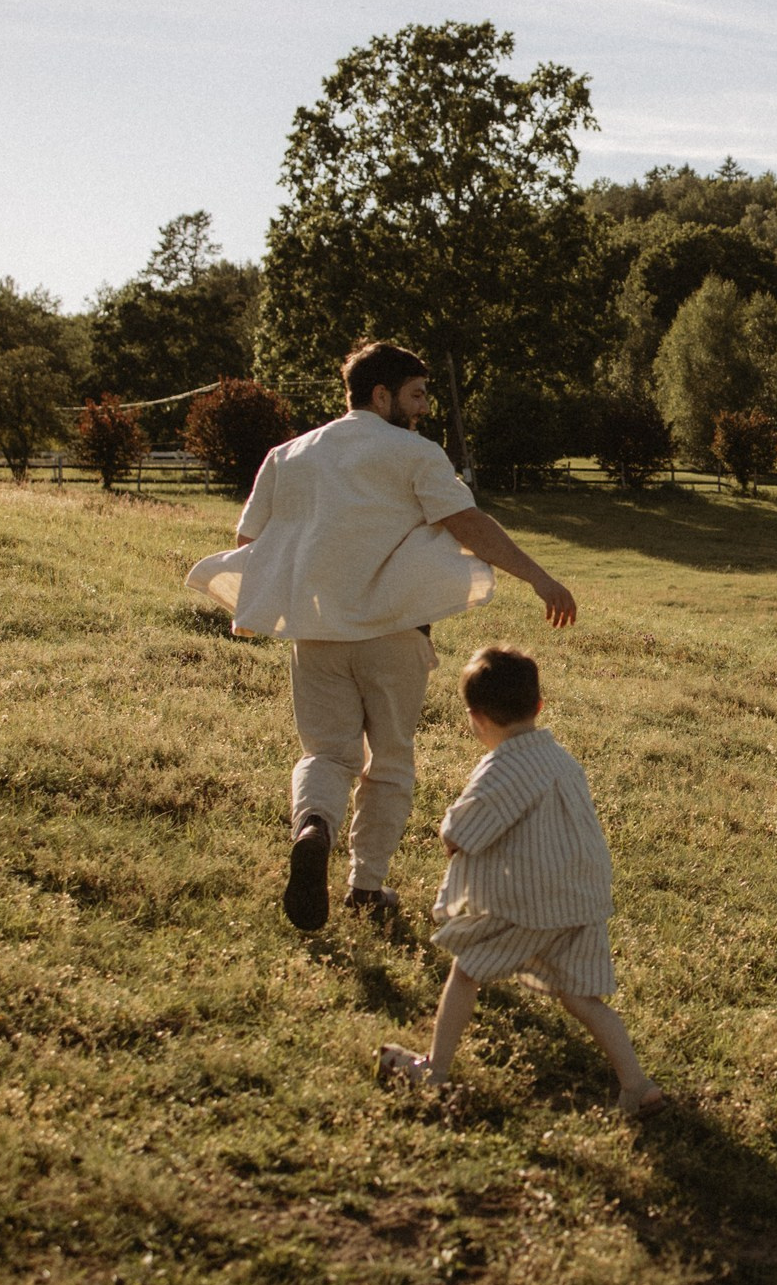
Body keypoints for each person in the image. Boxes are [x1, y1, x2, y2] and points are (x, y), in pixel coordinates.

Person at [191, 341, 577, 934]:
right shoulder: (414, 454)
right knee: (390, 761)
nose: (423, 408)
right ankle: (365, 886)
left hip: (316, 636)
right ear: (381, 394)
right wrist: (540, 577)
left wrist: (263, 606)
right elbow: (469, 524)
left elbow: (251, 546)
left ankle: (313, 826)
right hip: (394, 636)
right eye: (417, 395)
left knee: (325, 754)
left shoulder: (287, 455)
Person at [378, 646, 664, 1119]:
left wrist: (450, 838)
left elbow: (461, 831)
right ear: (538, 707)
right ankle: (637, 1086)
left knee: (467, 969)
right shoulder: (560, 759)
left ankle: (435, 1069)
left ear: (476, 718)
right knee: (579, 995)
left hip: (535, 900)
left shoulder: (503, 766)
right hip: (583, 895)